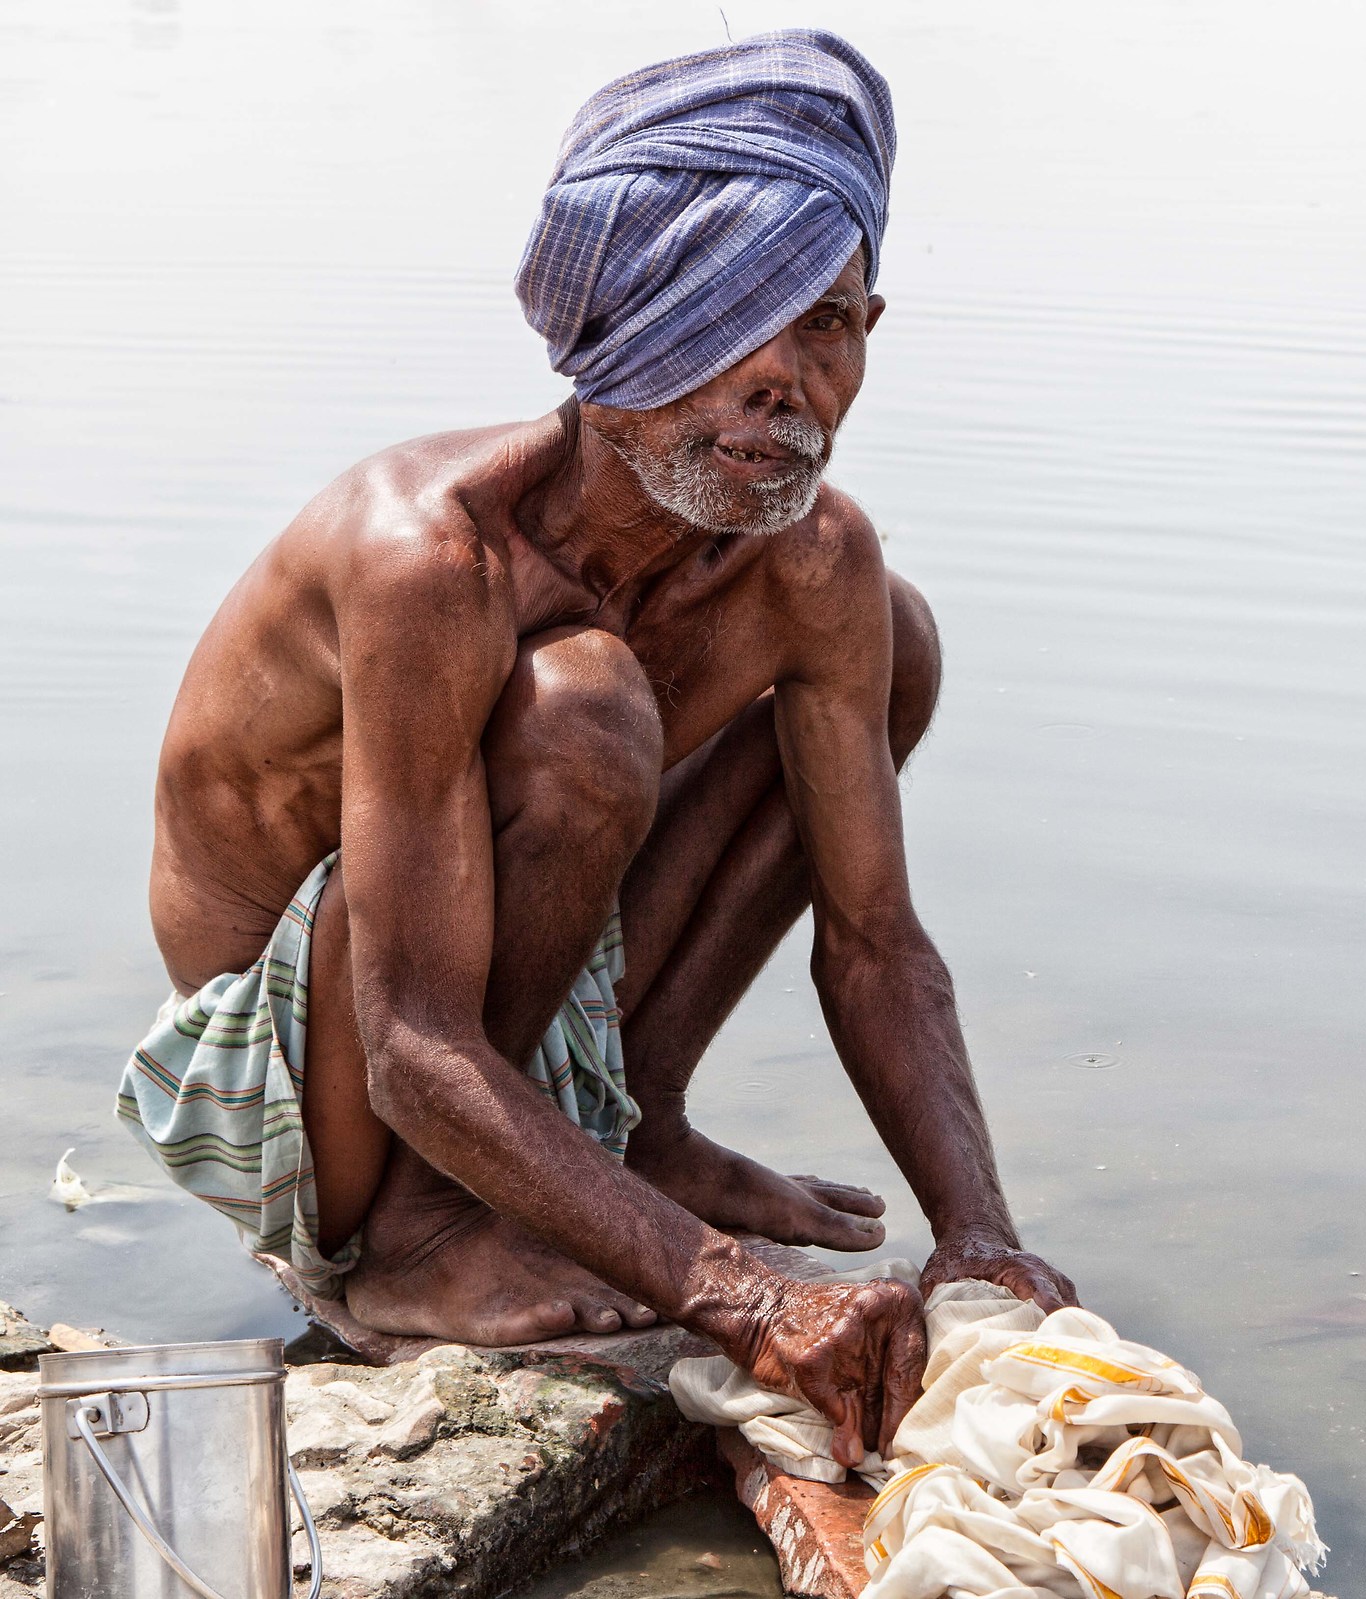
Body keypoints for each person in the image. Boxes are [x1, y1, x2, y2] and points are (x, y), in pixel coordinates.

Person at [115, 29, 1070, 1466]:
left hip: (505, 989)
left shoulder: (809, 563)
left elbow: (876, 941)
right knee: (585, 709)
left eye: (829, 325)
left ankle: (642, 1121)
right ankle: (427, 1235)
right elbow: (415, 1043)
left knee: (897, 642)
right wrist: (737, 1297)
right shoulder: (433, 559)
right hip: (312, 1070)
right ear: (617, 349)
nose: (786, 384)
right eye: (725, 328)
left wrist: (981, 1245)